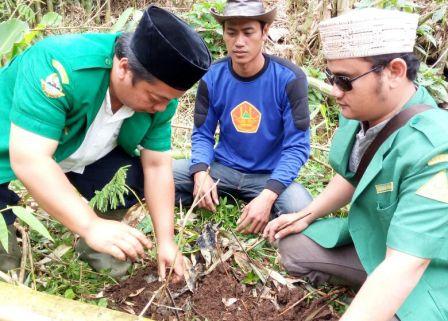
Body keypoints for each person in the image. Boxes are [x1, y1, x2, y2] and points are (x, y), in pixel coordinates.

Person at [0, 5, 211, 280]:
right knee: (7, 267)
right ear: (124, 68)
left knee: (130, 176)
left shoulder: (162, 98)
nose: (162, 108)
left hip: (77, 152)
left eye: (169, 100)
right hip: (14, 149)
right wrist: (89, 224)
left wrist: (167, 242)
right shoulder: (60, 66)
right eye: (155, 98)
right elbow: (30, 159)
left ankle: (97, 248)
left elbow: (158, 167)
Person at [264, 8, 448, 321]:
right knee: (293, 247)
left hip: (425, 265)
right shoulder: (361, 110)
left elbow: (406, 264)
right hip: (375, 241)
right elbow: (354, 175)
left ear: (394, 71)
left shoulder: (436, 150)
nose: (335, 91)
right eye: (331, 78)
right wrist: (305, 214)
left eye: (345, 80)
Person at [174, 0, 312, 235]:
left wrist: (269, 195)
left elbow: (297, 147)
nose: (239, 42)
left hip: (268, 176)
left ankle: (262, 207)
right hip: (223, 169)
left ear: (264, 32)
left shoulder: (289, 78)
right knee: (163, 176)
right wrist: (200, 173)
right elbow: (202, 134)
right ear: (224, 33)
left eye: (248, 32)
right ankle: (213, 195)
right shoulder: (212, 76)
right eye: (232, 32)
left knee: (301, 208)